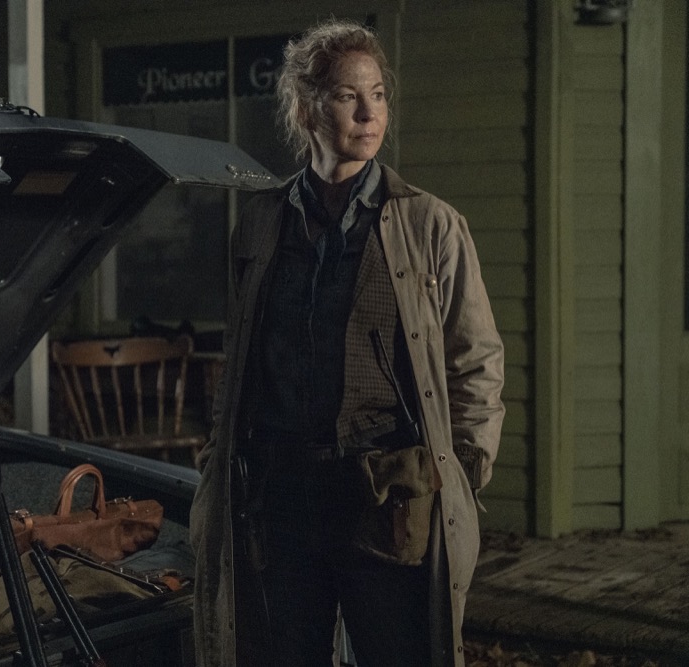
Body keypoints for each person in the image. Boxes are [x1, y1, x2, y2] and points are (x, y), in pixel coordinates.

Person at [189, 18, 505, 667]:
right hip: (282, 498)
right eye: (347, 95)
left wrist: (460, 475)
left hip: (386, 499)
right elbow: (241, 361)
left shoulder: (430, 226)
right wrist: (223, 465)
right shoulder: (261, 225)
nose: (369, 112)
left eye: (379, 94)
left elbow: (475, 361)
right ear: (306, 110)